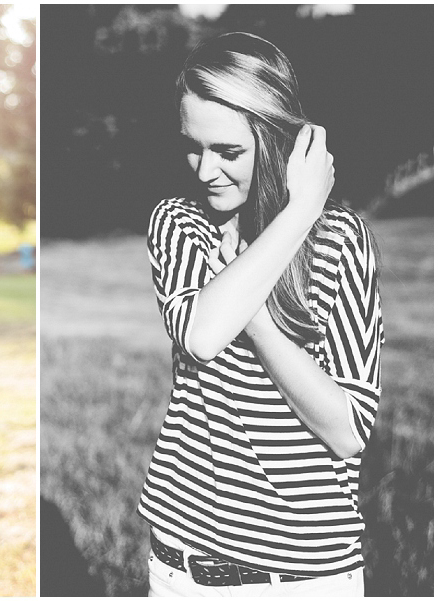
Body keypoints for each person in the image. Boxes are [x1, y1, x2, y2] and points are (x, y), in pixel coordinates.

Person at [139, 32, 383, 597]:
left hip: (301, 578)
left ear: (276, 143)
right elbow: (200, 335)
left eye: (227, 152)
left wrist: (298, 216)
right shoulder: (179, 223)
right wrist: (294, 219)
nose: (204, 172)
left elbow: (348, 430)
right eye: (193, 147)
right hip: (182, 571)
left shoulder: (339, 239)